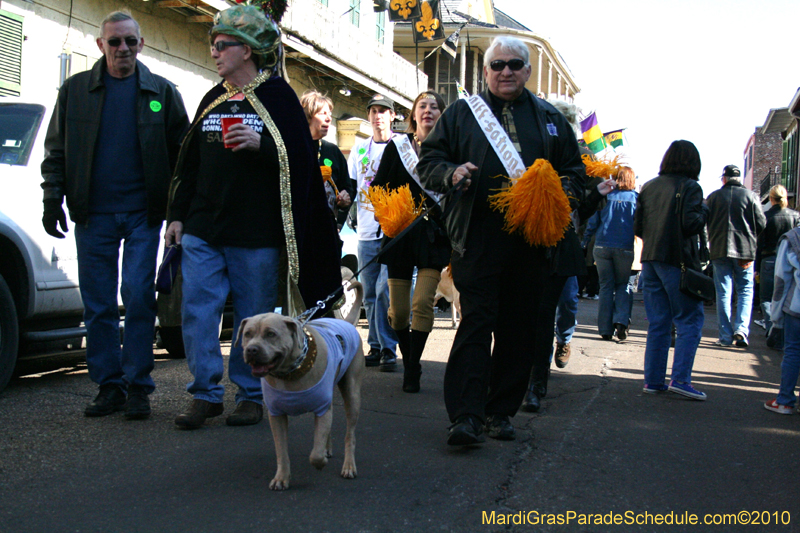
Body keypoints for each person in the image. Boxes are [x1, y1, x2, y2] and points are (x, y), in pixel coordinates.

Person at [418, 36, 610, 445]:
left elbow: (577, 173)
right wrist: (451, 174)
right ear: (486, 71)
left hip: (532, 239)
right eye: (498, 65)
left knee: (519, 328)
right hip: (478, 235)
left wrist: (554, 193)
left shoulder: (550, 119)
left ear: (527, 70)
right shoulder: (460, 115)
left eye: (515, 64)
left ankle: (499, 412)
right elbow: (429, 163)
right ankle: (466, 417)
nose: (506, 71)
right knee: (476, 323)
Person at [165, 4, 341, 430]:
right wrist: (176, 215)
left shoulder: (279, 97)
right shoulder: (212, 98)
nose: (214, 52)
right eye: (214, 44)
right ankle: (204, 394)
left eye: (222, 45)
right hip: (204, 228)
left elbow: (300, 160)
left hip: (256, 233)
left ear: (247, 51)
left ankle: (249, 394)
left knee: (254, 317)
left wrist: (263, 146)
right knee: (197, 311)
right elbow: (187, 163)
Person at [40, 11, 189, 420]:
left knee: (139, 296)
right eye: (114, 42)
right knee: (99, 303)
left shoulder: (161, 91)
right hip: (93, 215)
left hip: (144, 214)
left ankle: (139, 385)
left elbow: (184, 158)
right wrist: (52, 200)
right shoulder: (74, 91)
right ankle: (110, 386)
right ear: (100, 45)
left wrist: (178, 211)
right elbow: (56, 152)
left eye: (130, 41)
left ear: (141, 44)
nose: (123, 49)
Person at [370, 90, 451, 393]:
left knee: (422, 304)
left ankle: (412, 365)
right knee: (399, 312)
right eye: (422, 106)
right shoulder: (398, 147)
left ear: (442, 115)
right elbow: (379, 187)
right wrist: (389, 212)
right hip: (401, 236)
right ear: (413, 115)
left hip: (434, 238)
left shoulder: (450, 149)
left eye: (434, 107)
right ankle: (409, 357)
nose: (428, 110)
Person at [634, 140, 709, 400]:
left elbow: (638, 227)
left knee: (658, 323)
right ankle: (681, 379)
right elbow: (691, 224)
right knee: (689, 319)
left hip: (651, 258)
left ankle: (653, 380)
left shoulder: (650, 186)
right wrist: (705, 211)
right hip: (677, 259)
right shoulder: (691, 187)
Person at [348, 94, 399, 370]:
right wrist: (349, 210)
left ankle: (389, 349)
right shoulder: (360, 149)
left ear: (393, 116)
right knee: (369, 292)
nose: (378, 115)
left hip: (392, 228)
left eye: (383, 111)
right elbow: (352, 185)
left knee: (384, 291)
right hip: (366, 229)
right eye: (374, 111)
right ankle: (376, 346)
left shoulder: (401, 144)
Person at [706, 164, 766, 348]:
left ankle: (725, 337)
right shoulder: (751, 196)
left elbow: (703, 221)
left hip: (719, 249)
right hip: (745, 251)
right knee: (745, 291)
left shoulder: (713, 197)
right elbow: (762, 223)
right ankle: (741, 330)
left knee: (723, 292)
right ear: (739, 179)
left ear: (724, 179)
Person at [582, 166, 638, 341]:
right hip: (625, 246)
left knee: (605, 287)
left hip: (602, 246)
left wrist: (585, 241)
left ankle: (605, 329)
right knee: (623, 285)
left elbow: (593, 222)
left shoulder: (605, 196)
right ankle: (621, 322)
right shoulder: (636, 199)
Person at [300, 90, 354, 227]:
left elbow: (347, 188)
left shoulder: (333, 151)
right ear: (308, 116)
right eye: (323, 113)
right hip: (298, 227)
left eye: (330, 114)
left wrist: (345, 199)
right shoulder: (292, 147)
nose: (329, 118)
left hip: (326, 228)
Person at [764, 226, 800, 415]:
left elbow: (781, 280)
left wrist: (775, 316)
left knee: (793, 351)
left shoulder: (793, 238)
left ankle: (785, 400)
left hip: (797, 307)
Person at [756, 184, 799, 335]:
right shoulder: (795, 216)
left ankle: (771, 329)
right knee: (786, 296)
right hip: (789, 261)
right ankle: (782, 329)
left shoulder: (766, 217)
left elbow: (759, 244)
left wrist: (756, 267)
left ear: (771, 199)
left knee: (766, 298)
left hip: (768, 259)